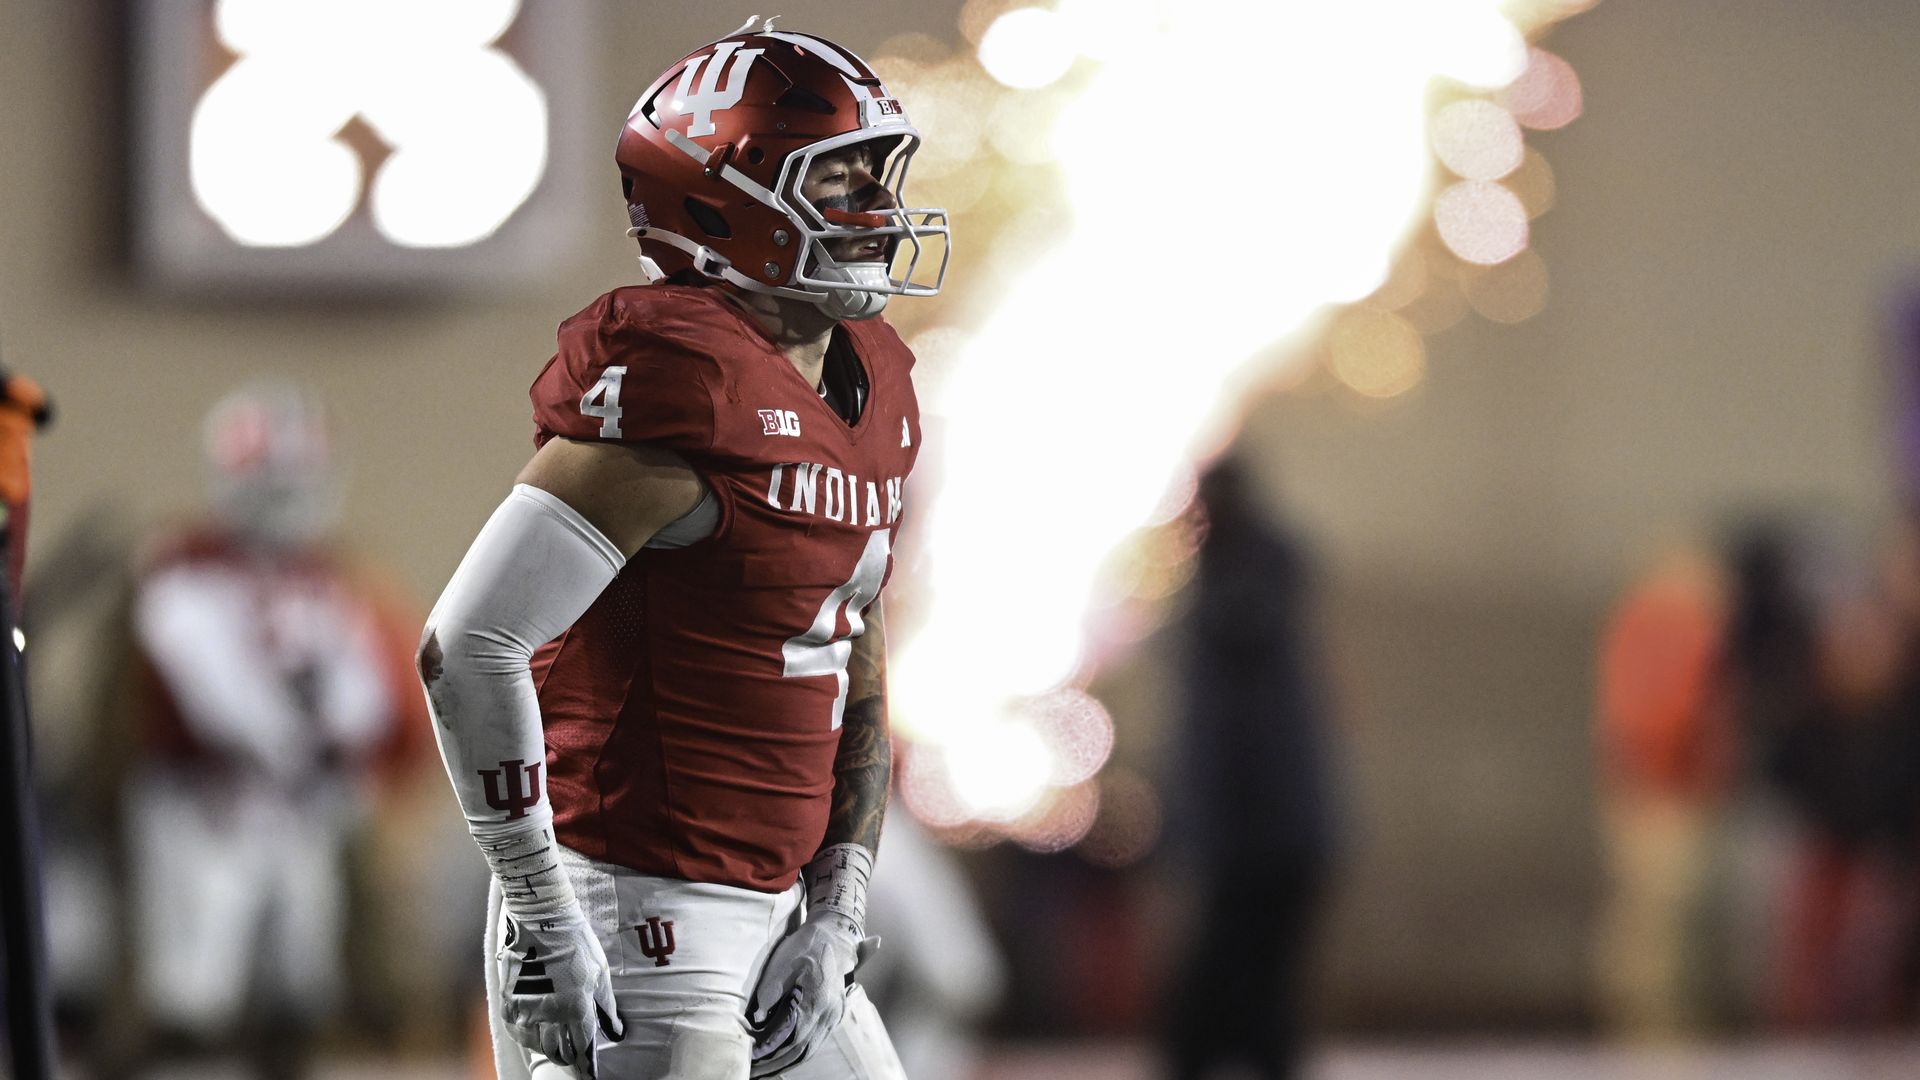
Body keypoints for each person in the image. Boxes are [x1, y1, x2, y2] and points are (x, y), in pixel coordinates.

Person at [418, 19, 947, 1079]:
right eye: (838, 183)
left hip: (777, 906)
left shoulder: (874, 382)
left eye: (875, 177)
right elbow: (467, 645)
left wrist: (838, 907)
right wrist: (541, 904)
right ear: (723, 196)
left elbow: (857, 666)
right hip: (634, 907)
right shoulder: (683, 373)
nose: (878, 212)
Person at [121, 380, 427, 1078]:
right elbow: (212, 691)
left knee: (300, 982)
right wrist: (301, 740)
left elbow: (367, 691)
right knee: (196, 983)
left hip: (299, 804)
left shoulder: (331, 578)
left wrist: (338, 745)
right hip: (209, 804)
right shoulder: (183, 569)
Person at [1160, 456, 1341, 1080]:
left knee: (1242, 993)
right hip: (1261, 836)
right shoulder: (1239, 588)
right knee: (1248, 995)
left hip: (1264, 836)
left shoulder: (1243, 594)